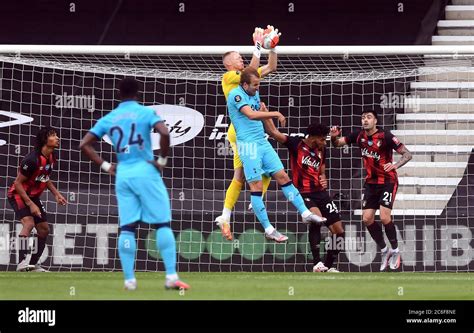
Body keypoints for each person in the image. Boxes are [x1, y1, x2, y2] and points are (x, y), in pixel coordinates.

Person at [79, 78, 189, 290]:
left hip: (123, 174)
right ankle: (171, 277)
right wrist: (162, 161)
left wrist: (106, 166)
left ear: (119, 94)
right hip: (146, 171)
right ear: (137, 92)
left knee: (127, 227)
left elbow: (84, 144)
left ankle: (129, 281)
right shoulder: (145, 112)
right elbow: (165, 133)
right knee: (162, 224)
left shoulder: (110, 117)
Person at [227, 67, 326, 243]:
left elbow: (272, 66)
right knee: (256, 186)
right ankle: (269, 229)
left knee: (283, 176)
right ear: (244, 84)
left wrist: (271, 46)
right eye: (255, 85)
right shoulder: (235, 94)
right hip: (248, 146)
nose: (258, 88)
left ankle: (305, 213)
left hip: (262, 142)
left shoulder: (253, 92)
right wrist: (275, 113)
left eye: (259, 84)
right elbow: (250, 115)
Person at [215, 26, 280, 241]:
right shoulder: (228, 77)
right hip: (242, 132)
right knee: (266, 167)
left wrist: (273, 47)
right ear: (229, 65)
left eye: (243, 58)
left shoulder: (245, 76)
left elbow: (271, 66)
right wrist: (258, 46)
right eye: (238, 58)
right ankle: (257, 198)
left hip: (239, 132)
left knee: (239, 176)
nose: (242, 60)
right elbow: (250, 72)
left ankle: (225, 215)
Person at [330, 109, 412, 271]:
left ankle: (395, 251)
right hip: (371, 184)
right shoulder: (359, 136)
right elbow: (337, 144)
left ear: (376, 121)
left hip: (388, 181)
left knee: (384, 217)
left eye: (369, 117)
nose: (365, 120)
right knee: (367, 219)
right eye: (363, 118)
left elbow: (407, 154)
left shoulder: (386, 136)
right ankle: (384, 250)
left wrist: (395, 165)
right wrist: (333, 136)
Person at [264, 115, 344, 272]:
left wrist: (323, 178)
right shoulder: (296, 144)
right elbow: (273, 132)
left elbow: (321, 170)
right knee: (316, 220)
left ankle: (328, 266)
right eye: (322, 139)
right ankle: (317, 263)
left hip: (321, 193)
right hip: (303, 193)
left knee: (339, 231)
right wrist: (266, 113)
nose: (324, 142)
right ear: (314, 138)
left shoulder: (322, 149)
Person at [8, 126, 67, 272]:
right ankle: (21, 263)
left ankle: (32, 265)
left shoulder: (51, 157)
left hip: (33, 196)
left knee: (44, 230)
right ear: (44, 140)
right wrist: (30, 204)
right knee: (28, 224)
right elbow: (18, 183)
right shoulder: (31, 160)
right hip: (18, 194)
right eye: (53, 135)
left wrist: (56, 194)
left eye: (56, 135)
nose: (57, 138)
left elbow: (44, 178)